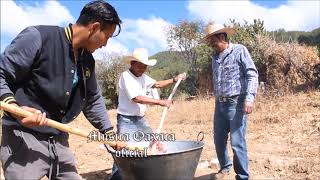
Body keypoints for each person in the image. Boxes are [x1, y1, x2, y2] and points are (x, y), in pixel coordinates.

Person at [0, 1, 125, 179]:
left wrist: (109, 133)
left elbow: (92, 99)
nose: (105, 44)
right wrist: (15, 108)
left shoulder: (87, 60)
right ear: (95, 27)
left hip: (57, 136)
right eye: (107, 37)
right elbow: (1, 73)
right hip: (23, 136)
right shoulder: (38, 37)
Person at [109, 48, 186, 180]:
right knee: (122, 151)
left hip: (140, 119)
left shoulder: (143, 77)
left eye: (144, 66)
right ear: (132, 63)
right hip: (126, 120)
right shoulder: (126, 76)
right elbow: (136, 98)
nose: (142, 69)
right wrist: (160, 102)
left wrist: (174, 79)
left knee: (153, 142)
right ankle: (116, 177)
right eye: (139, 66)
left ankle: (147, 172)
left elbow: (157, 84)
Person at [203, 23, 259, 180]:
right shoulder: (214, 57)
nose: (210, 44)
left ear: (221, 37)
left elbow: (252, 74)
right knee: (219, 139)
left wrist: (249, 98)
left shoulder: (239, 50)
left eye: (211, 40)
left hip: (237, 102)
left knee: (237, 141)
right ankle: (225, 167)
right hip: (219, 103)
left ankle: (242, 176)